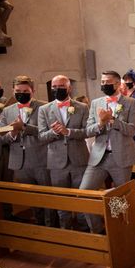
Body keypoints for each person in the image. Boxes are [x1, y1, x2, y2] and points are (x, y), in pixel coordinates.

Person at [79, 70, 135, 233]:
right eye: (102, 82)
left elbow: (132, 130)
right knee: (84, 192)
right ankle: (98, 231)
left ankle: (123, 231)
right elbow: (88, 130)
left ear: (118, 84)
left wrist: (112, 121)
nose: (104, 84)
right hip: (98, 156)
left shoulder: (131, 103)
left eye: (108, 82)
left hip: (121, 156)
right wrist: (100, 123)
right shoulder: (96, 103)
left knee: (122, 197)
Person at [0, 76, 54, 226]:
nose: (21, 93)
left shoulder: (44, 107)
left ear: (33, 91)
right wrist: (13, 133)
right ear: (13, 91)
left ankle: (52, 227)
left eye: (25, 91)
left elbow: (48, 132)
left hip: (41, 159)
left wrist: (24, 127)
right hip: (19, 162)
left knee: (48, 196)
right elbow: (1, 138)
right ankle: (39, 223)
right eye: (18, 91)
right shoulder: (7, 111)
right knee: (32, 198)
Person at [38, 75, 90, 230]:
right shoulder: (44, 109)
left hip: (79, 158)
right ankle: (65, 230)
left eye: (61, 86)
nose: (57, 89)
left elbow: (87, 132)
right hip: (56, 161)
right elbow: (41, 137)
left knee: (82, 196)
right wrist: (54, 132)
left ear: (69, 88)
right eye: (54, 87)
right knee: (61, 199)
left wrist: (68, 132)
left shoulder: (82, 107)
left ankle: (84, 228)